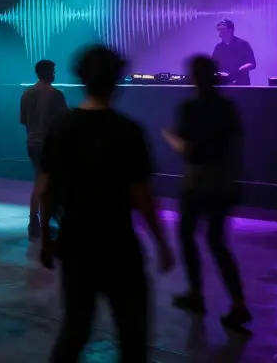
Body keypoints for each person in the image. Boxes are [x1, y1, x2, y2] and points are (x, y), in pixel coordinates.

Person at [37, 45, 175, 363]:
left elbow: (45, 189)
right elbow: (143, 198)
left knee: (74, 330)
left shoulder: (62, 128)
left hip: (74, 241)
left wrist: (47, 239)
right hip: (118, 244)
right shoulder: (127, 131)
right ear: (117, 81)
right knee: (132, 337)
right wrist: (162, 244)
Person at [162, 55, 251, 329]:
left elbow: (189, 151)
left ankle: (196, 295)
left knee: (187, 236)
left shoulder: (190, 108)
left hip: (197, 182)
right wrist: (235, 181)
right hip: (224, 182)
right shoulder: (227, 107)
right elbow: (236, 147)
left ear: (193, 78)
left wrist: (169, 137)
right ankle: (238, 304)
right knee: (217, 243)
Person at [20, 59, 67, 238]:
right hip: (49, 145)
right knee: (47, 183)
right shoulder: (56, 94)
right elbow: (65, 121)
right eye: (54, 70)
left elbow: (24, 120)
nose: (55, 74)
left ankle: (38, 222)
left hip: (32, 144)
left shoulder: (26, 93)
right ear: (49, 72)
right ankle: (40, 222)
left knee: (40, 181)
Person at [211, 19, 256, 85]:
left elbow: (252, 64)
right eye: (218, 29)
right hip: (223, 84)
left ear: (231, 30)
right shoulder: (218, 47)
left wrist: (238, 71)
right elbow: (212, 65)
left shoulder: (243, 44)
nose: (220, 32)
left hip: (241, 84)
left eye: (222, 29)